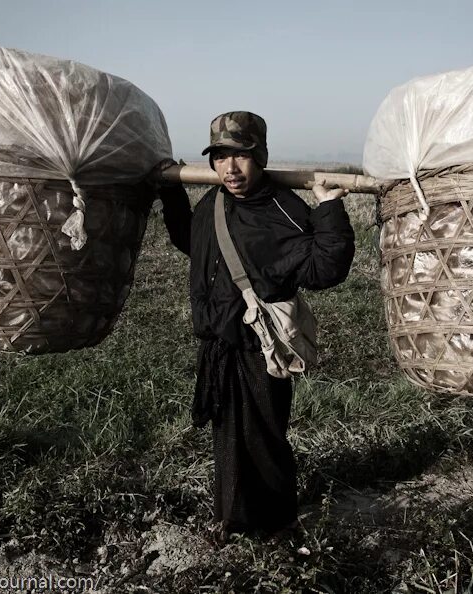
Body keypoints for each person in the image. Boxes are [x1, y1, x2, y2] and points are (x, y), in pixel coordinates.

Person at [156, 111, 355, 537]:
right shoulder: (214, 201)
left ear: (260, 156)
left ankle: (276, 524)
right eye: (221, 157)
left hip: (259, 347)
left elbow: (325, 269)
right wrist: (170, 193)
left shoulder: (283, 209)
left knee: (262, 439)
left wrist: (330, 209)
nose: (230, 168)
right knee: (228, 438)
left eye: (241, 156)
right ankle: (232, 518)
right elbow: (192, 242)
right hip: (218, 343)